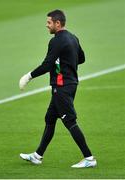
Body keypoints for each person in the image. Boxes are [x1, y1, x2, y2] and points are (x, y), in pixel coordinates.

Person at [19, 9, 97, 168]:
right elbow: (81, 58)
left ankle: (89, 158)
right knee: (50, 119)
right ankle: (37, 155)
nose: (47, 25)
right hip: (69, 84)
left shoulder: (56, 41)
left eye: (49, 23)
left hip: (62, 87)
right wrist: (65, 62)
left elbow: (47, 65)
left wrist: (29, 76)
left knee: (69, 121)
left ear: (57, 23)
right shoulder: (73, 37)